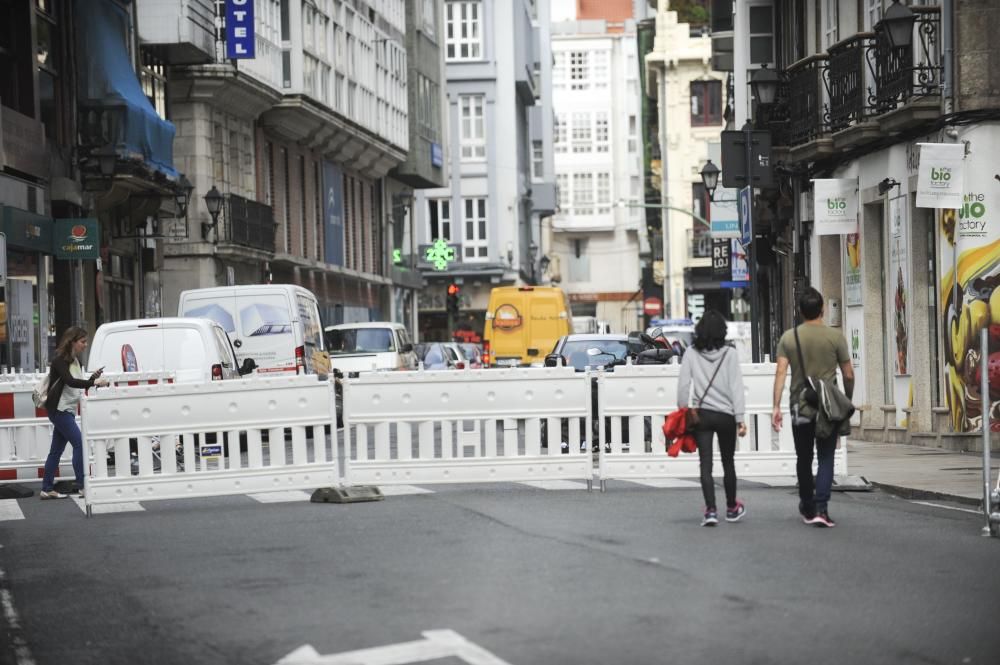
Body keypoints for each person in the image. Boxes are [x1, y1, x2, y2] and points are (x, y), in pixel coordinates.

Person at [772, 287, 854, 528]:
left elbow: (780, 372)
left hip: (801, 407)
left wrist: (776, 406)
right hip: (828, 409)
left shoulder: (788, 338)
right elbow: (848, 374)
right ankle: (822, 507)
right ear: (822, 309)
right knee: (827, 456)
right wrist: (846, 399)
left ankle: (807, 506)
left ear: (800, 311)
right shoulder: (835, 337)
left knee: (804, 458)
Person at [677, 309, 747, 526]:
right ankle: (732, 508)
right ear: (722, 332)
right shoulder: (731, 354)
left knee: (705, 464)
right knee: (728, 463)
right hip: (726, 415)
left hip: (702, 416)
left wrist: (683, 410)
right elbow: (737, 388)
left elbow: (683, 386)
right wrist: (740, 418)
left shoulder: (690, 353)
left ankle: (710, 511)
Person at [39, 326, 109, 500]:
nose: (85, 345)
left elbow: (77, 384)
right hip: (59, 410)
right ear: (72, 342)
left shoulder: (75, 361)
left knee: (56, 451)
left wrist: (92, 379)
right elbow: (70, 381)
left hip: (66, 410)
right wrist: (94, 383)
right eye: (83, 341)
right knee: (79, 444)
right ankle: (82, 484)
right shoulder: (60, 361)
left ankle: (47, 488)